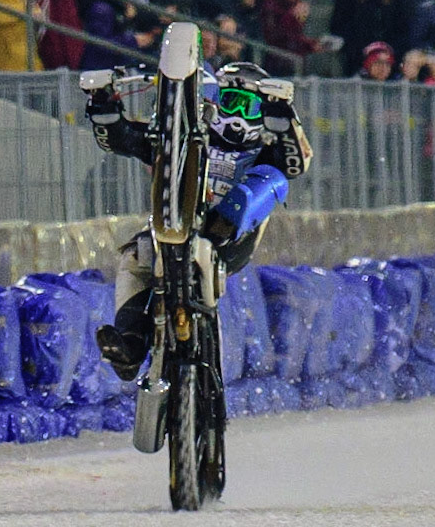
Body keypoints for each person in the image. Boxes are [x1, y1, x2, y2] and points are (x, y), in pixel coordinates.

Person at [83, 59, 311, 380]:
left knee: (273, 178)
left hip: (231, 239)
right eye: (232, 102)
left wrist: (283, 117)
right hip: (174, 227)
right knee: (136, 257)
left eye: (252, 108)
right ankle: (130, 344)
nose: (240, 117)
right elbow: (123, 138)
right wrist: (102, 104)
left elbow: (295, 164)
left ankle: (222, 225)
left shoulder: (265, 150)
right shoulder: (186, 139)